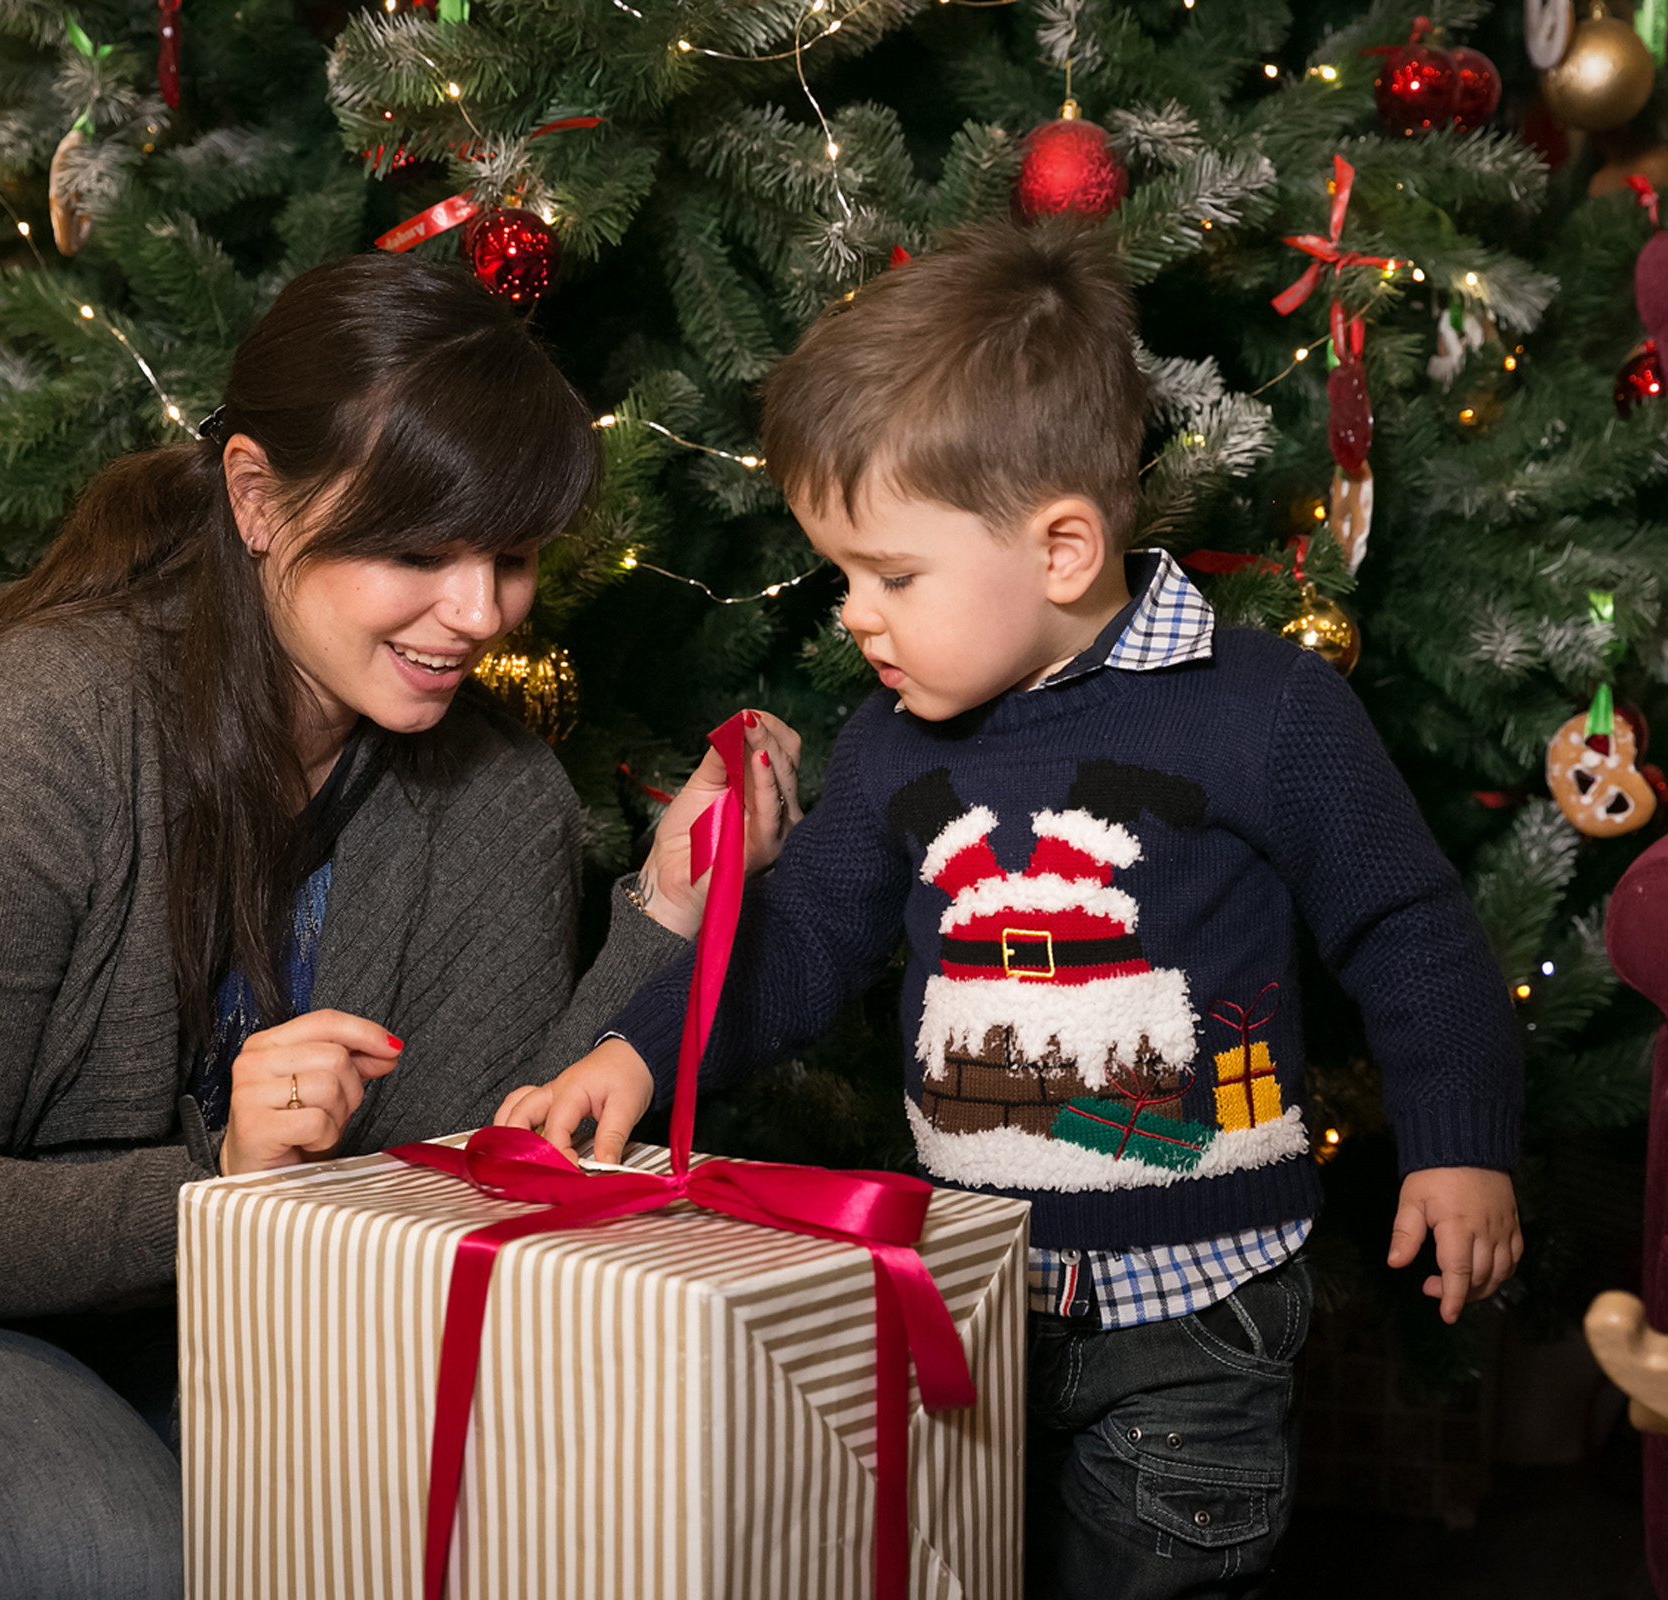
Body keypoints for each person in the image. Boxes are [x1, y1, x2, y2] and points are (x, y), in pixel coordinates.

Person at [0, 251, 802, 1600]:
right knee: (119, 1561)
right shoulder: (41, 729)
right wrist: (222, 1178)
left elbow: (464, 1183)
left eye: (514, 557)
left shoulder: (498, 798)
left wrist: (669, 909)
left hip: (212, 1312)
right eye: (417, 550)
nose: (479, 614)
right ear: (257, 497)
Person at [497, 222, 1526, 1599]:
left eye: (892, 576)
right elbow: (800, 936)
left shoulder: (1269, 712)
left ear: (1061, 549)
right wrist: (638, 1049)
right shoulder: (893, 743)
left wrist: (1461, 1146)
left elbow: (1407, 925)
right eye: (843, 576)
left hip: (1197, 1318)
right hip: (969, 1302)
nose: (855, 616)